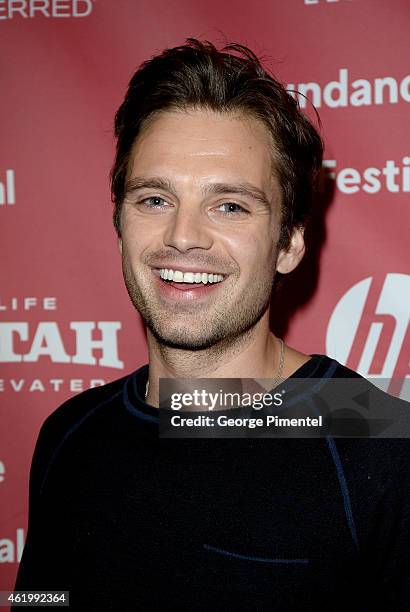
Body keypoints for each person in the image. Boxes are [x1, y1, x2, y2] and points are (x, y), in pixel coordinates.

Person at [14, 39, 410, 610]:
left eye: (230, 206)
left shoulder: (381, 442)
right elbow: (42, 601)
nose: (183, 236)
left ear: (290, 243)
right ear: (119, 221)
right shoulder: (72, 433)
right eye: (154, 199)